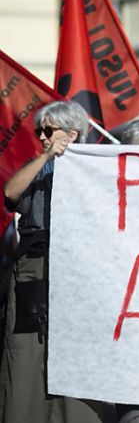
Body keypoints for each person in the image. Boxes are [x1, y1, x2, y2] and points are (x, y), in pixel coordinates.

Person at [1, 101, 101, 423]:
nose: (42, 137)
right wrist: (46, 157)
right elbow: (11, 193)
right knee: (28, 353)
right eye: (39, 131)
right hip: (35, 268)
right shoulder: (37, 166)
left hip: (76, 271)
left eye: (49, 131)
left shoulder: (96, 170)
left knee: (75, 352)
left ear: (72, 134)